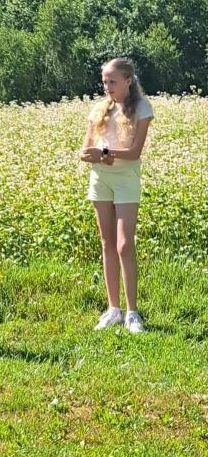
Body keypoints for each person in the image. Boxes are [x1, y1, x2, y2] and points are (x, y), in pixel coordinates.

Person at [80, 58, 154, 333]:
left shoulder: (142, 108)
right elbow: (86, 148)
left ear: (128, 81)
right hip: (100, 179)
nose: (107, 86)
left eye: (112, 81)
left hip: (125, 180)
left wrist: (104, 154)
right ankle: (113, 309)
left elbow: (134, 152)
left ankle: (132, 313)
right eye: (104, 81)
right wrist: (92, 155)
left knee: (124, 244)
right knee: (107, 243)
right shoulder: (99, 109)